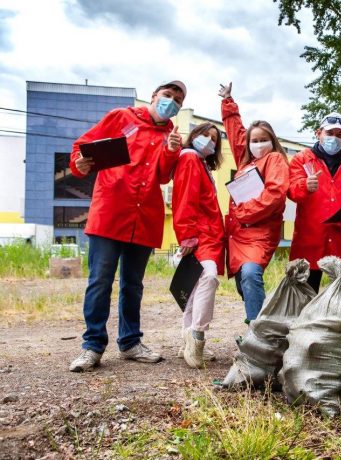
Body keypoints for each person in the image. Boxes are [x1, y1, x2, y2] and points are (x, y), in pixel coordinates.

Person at [68, 80, 187, 372]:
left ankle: (130, 342)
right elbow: (82, 148)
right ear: (154, 96)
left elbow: (162, 177)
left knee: (133, 285)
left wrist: (172, 152)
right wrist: (78, 163)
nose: (171, 102)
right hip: (110, 213)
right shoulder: (121, 117)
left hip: (144, 217)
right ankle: (92, 346)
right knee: (100, 281)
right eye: (167, 95)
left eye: (178, 100)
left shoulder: (170, 134)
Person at [219, 82, 289, 323]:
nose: (258, 144)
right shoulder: (245, 162)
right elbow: (236, 133)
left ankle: (258, 333)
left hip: (259, 233)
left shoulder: (276, 159)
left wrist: (244, 212)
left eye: (263, 139)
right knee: (244, 285)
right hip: (237, 234)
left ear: (272, 140)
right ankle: (265, 318)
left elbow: (275, 194)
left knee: (250, 273)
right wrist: (228, 103)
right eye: (254, 140)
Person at [288, 112, 341, 293]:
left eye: (339, 135)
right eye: (329, 133)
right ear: (318, 133)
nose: (334, 138)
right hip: (309, 241)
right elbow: (291, 190)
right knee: (303, 299)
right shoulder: (302, 159)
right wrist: (305, 186)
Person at [172, 122, 225, 368]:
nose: (209, 140)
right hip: (200, 235)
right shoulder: (190, 158)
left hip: (210, 235)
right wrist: (187, 236)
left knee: (196, 284)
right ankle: (196, 337)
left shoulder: (201, 164)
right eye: (205, 135)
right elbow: (185, 198)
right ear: (193, 135)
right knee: (208, 278)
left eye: (214, 139)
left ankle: (188, 338)